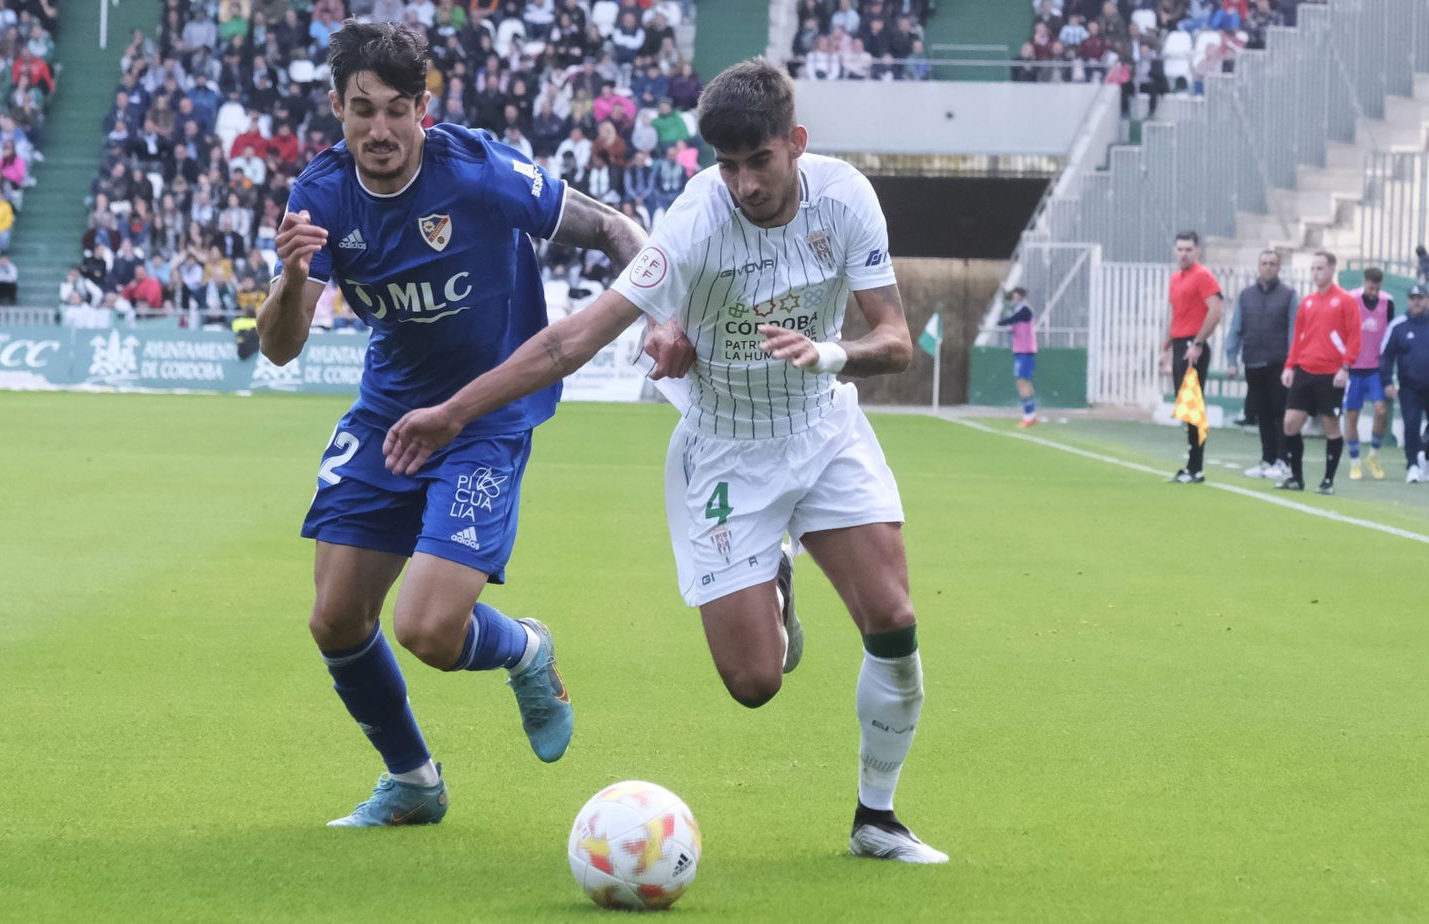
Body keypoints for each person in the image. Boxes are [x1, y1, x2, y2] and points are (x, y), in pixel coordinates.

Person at [385, 58, 948, 864]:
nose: (745, 183)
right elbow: (569, 340)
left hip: (824, 428)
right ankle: (775, 577)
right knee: (754, 682)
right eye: (727, 165)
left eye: (759, 160)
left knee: (893, 620)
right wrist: (452, 413)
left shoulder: (847, 197)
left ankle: (878, 819)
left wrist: (825, 355)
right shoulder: (694, 220)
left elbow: (894, 341)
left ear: (795, 143)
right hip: (724, 450)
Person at [256, 21, 651, 829]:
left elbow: (612, 229)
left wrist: (660, 305)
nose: (380, 130)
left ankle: (526, 650)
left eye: (398, 109)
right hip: (390, 415)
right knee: (335, 618)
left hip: (485, 418)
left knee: (430, 631)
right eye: (361, 110)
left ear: (423, 111)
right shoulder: (321, 195)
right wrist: (291, 273)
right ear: (336, 108)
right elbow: (282, 348)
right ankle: (413, 782)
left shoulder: (476, 169)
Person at [1276, 252, 1360, 495]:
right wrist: (1290, 365)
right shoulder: (1308, 301)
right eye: (1313, 268)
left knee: (1330, 426)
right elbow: (1299, 336)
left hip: (1330, 373)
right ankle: (1296, 477)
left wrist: (1346, 367)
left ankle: (1327, 481)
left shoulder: (1344, 300)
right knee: (1290, 423)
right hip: (1304, 369)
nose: (1316, 273)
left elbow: (1355, 336)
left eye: (1320, 268)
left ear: (1332, 269)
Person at [1224, 250, 1297, 479]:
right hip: (1253, 360)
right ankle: (1267, 459)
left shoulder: (1288, 295)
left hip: (1279, 362)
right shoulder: (1246, 296)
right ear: (1258, 266)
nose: (1268, 267)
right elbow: (1236, 327)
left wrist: (1291, 363)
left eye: (1272, 264)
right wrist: (1231, 359)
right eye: (1264, 263)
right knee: (1262, 413)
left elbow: (1293, 330)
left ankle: (1283, 460)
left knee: (1280, 412)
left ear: (1278, 267)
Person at [1159, 231, 1224, 483]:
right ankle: (1192, 464)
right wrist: (1165, 346)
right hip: (1179, 343)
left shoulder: (1202, 276)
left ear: (1197, 251)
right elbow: (1176, 313)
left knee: (1193, 406)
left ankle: (1196, 467)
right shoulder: (1176, 278)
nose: (1184, 254)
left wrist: (1198, 342)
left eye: (1188, 249)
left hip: (1191, 345)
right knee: (1186, 406)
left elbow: (1216, 309)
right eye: (1180, 249)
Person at [1343, 267, 1394, 480]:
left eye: (1377, 288)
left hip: (1375, 368)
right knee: (1352, 416)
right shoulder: (1351, 299)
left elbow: (1390, 333)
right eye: (1370, 287)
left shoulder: (1387, 303)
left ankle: (1373, 455)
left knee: (1381, 411)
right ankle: (1355, 462)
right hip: (1354, 368)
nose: (1373, 292)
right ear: (1364, 282)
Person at [1379, 285, 1429, 482]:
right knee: (1411, 424)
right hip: (1410, 387)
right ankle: (1413, 466)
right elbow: (1386, 356)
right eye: (1413, 298)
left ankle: (1425, 458)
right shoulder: (1399, 325)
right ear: (1408, 300)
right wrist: (1387, 382)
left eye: (1420, 298)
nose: (1416, 302)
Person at [996, 286, 1039, 427]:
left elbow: (1012, 320)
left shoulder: (1025, 310)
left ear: (1021, 297)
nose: (1013, 300)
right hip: (1020, 350)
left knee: (1022, 382)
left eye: (1015, 297)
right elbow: (1012, 325)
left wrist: (1002, 320)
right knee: (1023, 382)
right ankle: (1031, 413)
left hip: (1026, 351)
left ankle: (1029, 415)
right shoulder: (1018, 310)